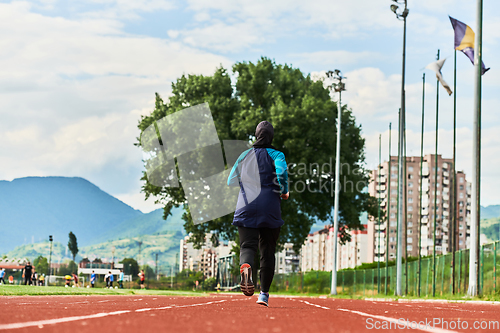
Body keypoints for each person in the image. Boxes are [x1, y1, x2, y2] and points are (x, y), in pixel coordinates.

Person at [228, 121, 289, 307]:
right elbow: (282, 173)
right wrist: (284, 190)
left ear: (256, 135)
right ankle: (263, 295)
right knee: (267, 251)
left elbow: (231, 180)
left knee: (247, 246)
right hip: (269, 207)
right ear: (271, 136)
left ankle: (246, 269)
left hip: (245, 206)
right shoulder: (277, 154)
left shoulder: (244, 155)